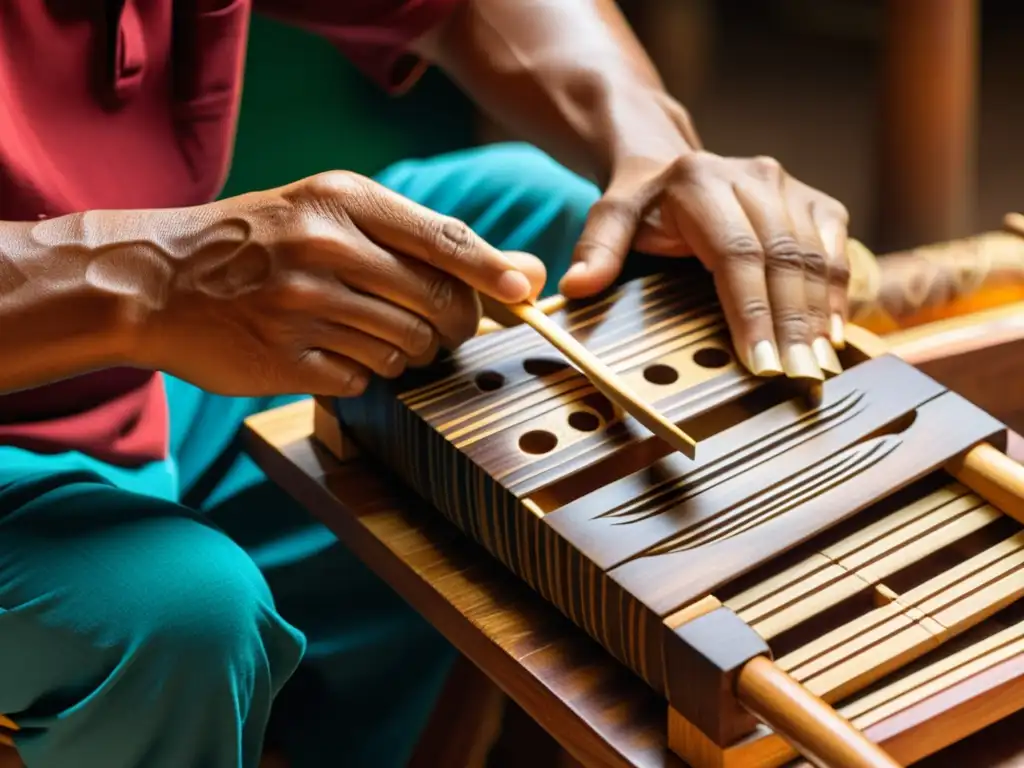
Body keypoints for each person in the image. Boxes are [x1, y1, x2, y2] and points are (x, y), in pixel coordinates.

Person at [0, 1, 851, 766]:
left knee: (548, 214)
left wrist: (656, 154)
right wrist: (148, 278)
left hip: (138, 381)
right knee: (179, 616)